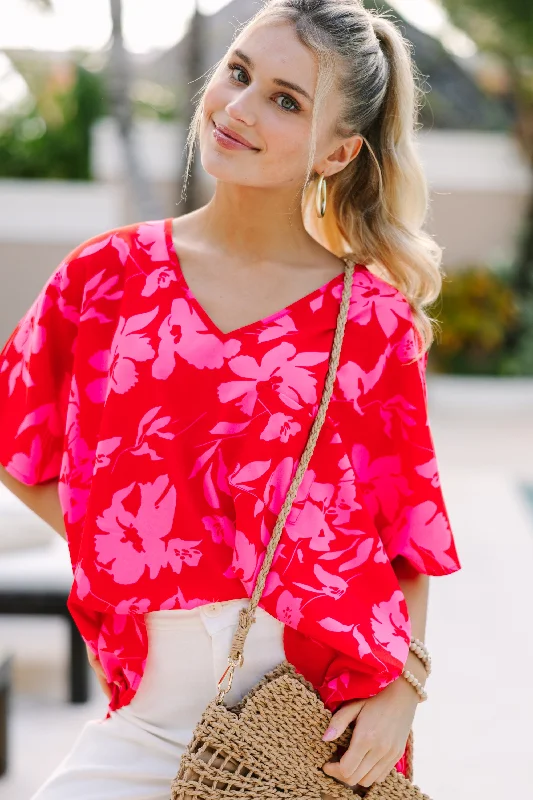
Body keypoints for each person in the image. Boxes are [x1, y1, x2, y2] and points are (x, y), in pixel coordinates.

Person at [0, 1, 462, 798]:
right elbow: (15, 428)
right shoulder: (108, 276)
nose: (238, 108)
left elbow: (406, 540)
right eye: (239, 74)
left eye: (286, 100)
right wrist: (121, 535)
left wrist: (401, 692)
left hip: (312, 722)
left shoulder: (368, 320)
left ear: (337, 151)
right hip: (150, 709)